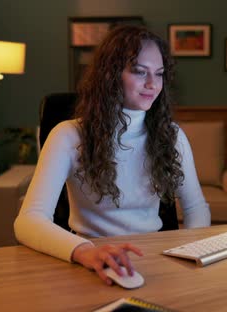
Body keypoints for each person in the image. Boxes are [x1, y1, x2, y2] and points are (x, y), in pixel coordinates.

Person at [14, 25, 210, 285]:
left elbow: (196, 208)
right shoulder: (69, 135)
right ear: (110, 75)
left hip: (156, 261)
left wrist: (188, 254)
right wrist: (85, 252)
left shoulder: (171, 136)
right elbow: (29, 220)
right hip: (91, 260)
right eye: (140, 72)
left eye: (159, 74)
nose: (152, 84)